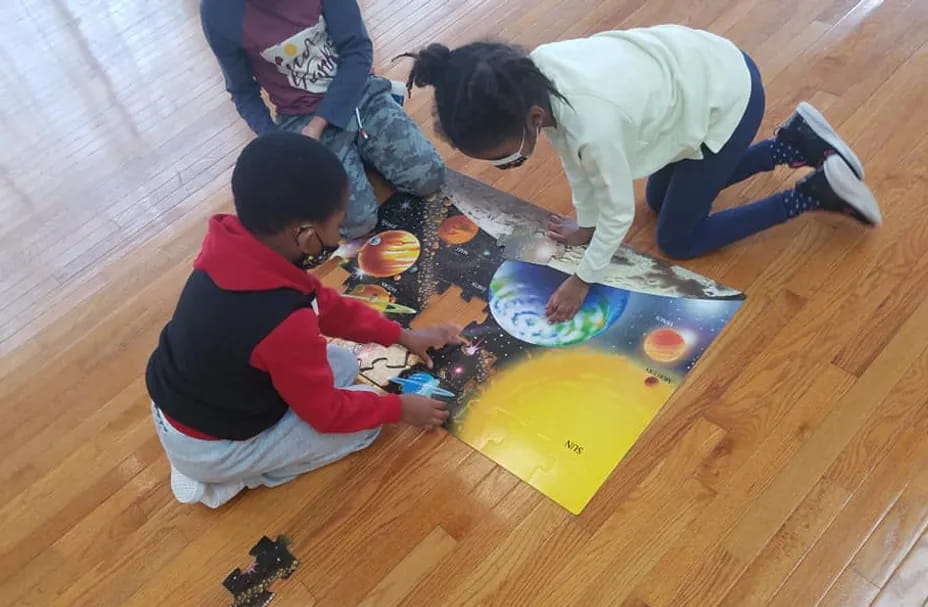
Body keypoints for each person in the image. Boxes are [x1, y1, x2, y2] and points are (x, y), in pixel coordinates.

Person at [399, 26, 882, 322]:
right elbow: (578, 165)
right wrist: (582, 227)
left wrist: (583, 278)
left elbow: (616, 214)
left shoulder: (593, 126)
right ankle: (790, 144)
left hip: (727, 99)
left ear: (532, 119)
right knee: (659, 196)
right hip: (698, 73)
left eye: (510, 158)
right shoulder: (536, 75)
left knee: (678, 237)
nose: (510, 166)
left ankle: (812, 193)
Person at [146, 133, 460, 508]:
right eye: (339, 223)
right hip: (212, 448)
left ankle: (233, 455)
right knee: (363, 428)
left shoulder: (238, 246)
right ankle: (228, 478)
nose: (342, 232)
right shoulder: (279, 321)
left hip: (188, 400)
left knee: (343, 364)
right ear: (308, 237)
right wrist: (399, 409)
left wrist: (401, 335)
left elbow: (325, 306)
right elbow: (326, 414)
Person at [200, 0, 445, 239]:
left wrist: (320, 123)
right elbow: (243, 91)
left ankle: (365, 146)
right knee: (357, 223)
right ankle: (358, 156)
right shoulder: (217, 11)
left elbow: (357, 51)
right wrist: (277, 143)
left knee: (429, 177)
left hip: (359, 94)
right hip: (299, 119)